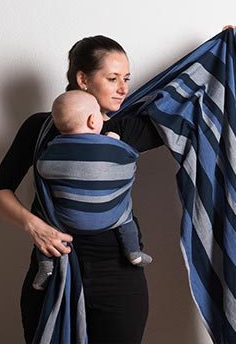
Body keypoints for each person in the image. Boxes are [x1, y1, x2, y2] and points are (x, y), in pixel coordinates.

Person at [0, 26, 236, 344]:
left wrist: (230, 48)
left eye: (126, 78)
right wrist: (34, 226)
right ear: (83, 80)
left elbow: (201, 100)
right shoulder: (38, 129)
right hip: (53, 271)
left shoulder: (127, 128)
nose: (123, 88)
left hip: (118, 275)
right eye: (112, 78)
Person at [31, 90, 153, 291]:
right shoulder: (112, 145)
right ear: (92, 120)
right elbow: (129, 160)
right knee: (126, 212)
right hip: (111, 219)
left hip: (66, 223)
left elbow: (42, 169)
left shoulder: (51, 149)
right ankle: (133, 251)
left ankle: (45, 264)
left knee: (43, 214)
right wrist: (113, 141)